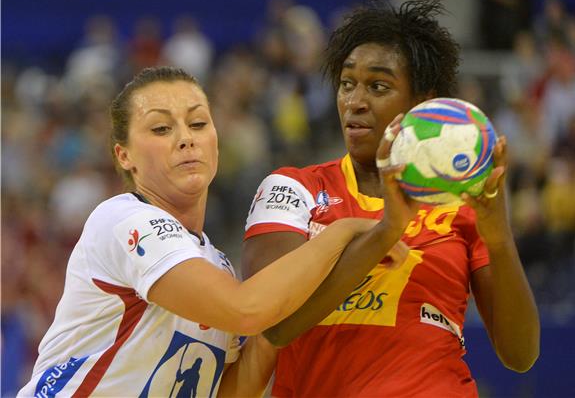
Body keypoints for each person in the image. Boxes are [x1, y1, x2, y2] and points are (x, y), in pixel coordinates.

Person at [17, 66, 388, 397]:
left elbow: (231, 387)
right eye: (161, 128)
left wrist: (289, 308)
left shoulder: (218, 268)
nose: (186, 138)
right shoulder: (121, 219)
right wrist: (342, 233)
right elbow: (246, 310)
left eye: (197, 124)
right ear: (123, 155)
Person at [243, 0, 540, 397]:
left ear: (423, 103)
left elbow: (520, 355)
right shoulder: (294, 188)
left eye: (378, 86)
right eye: (348, 84)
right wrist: (386, 231)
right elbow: (275, 323)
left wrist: (499, 236)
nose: (355, 101)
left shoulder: (461, 207)